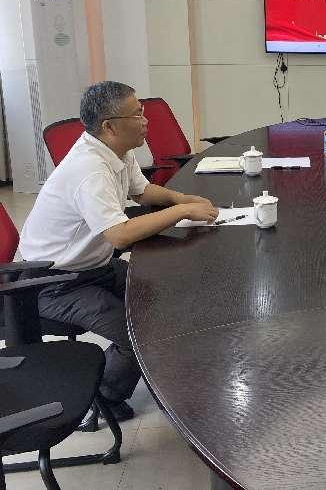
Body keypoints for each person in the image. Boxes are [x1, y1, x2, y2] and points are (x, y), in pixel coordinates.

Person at [19, 81, 218, 421]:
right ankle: (103, 399)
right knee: (137, 335)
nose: (146, 121)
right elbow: (121, 235)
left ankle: (160, 371)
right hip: (53, 282)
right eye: (137, 114)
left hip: (92, 268)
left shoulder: (116, 151)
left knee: (167, 295)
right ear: (110, 126)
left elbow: (142, 191)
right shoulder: (89, 170)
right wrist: (181, 212)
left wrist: (181, 198)